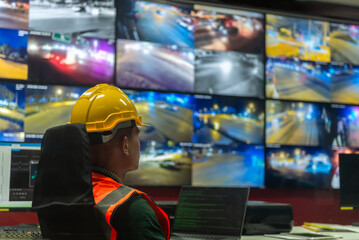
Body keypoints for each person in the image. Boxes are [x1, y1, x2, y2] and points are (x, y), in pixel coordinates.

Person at [69, 84, 170, 240]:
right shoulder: (134, 210)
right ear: (125, 145)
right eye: (137, 134)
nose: (139, 143)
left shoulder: (66, 194)